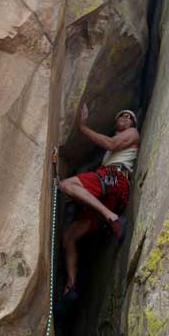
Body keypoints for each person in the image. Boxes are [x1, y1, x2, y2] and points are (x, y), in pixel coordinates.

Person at [58, 103, 140, 298]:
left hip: (115, 177)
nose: (125, 118)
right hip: (112, 193)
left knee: (66, 185)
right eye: (121, 115)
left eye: (129, 117)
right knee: (69, 236)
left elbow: (111, 144)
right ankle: (71, 286)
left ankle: (112, 218)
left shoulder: (133, 134)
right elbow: (109, 147)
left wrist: (83, 128)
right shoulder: (110, 152)